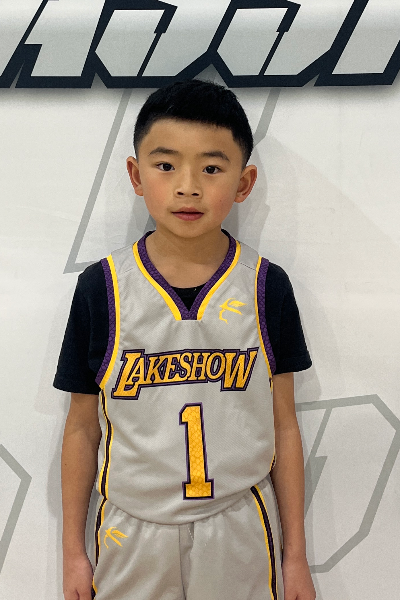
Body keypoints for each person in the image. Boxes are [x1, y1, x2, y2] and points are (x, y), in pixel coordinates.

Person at [55, 79, 316, 600]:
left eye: (212, 168)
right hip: (131, 528)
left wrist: (295, 557)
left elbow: (284, 425)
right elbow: (82, 428)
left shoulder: (267, 285)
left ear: (244, 183)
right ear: (136, 175)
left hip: (239, 523)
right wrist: (72, 552)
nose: (188, 187)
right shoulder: (101, 287)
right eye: (166, 165)